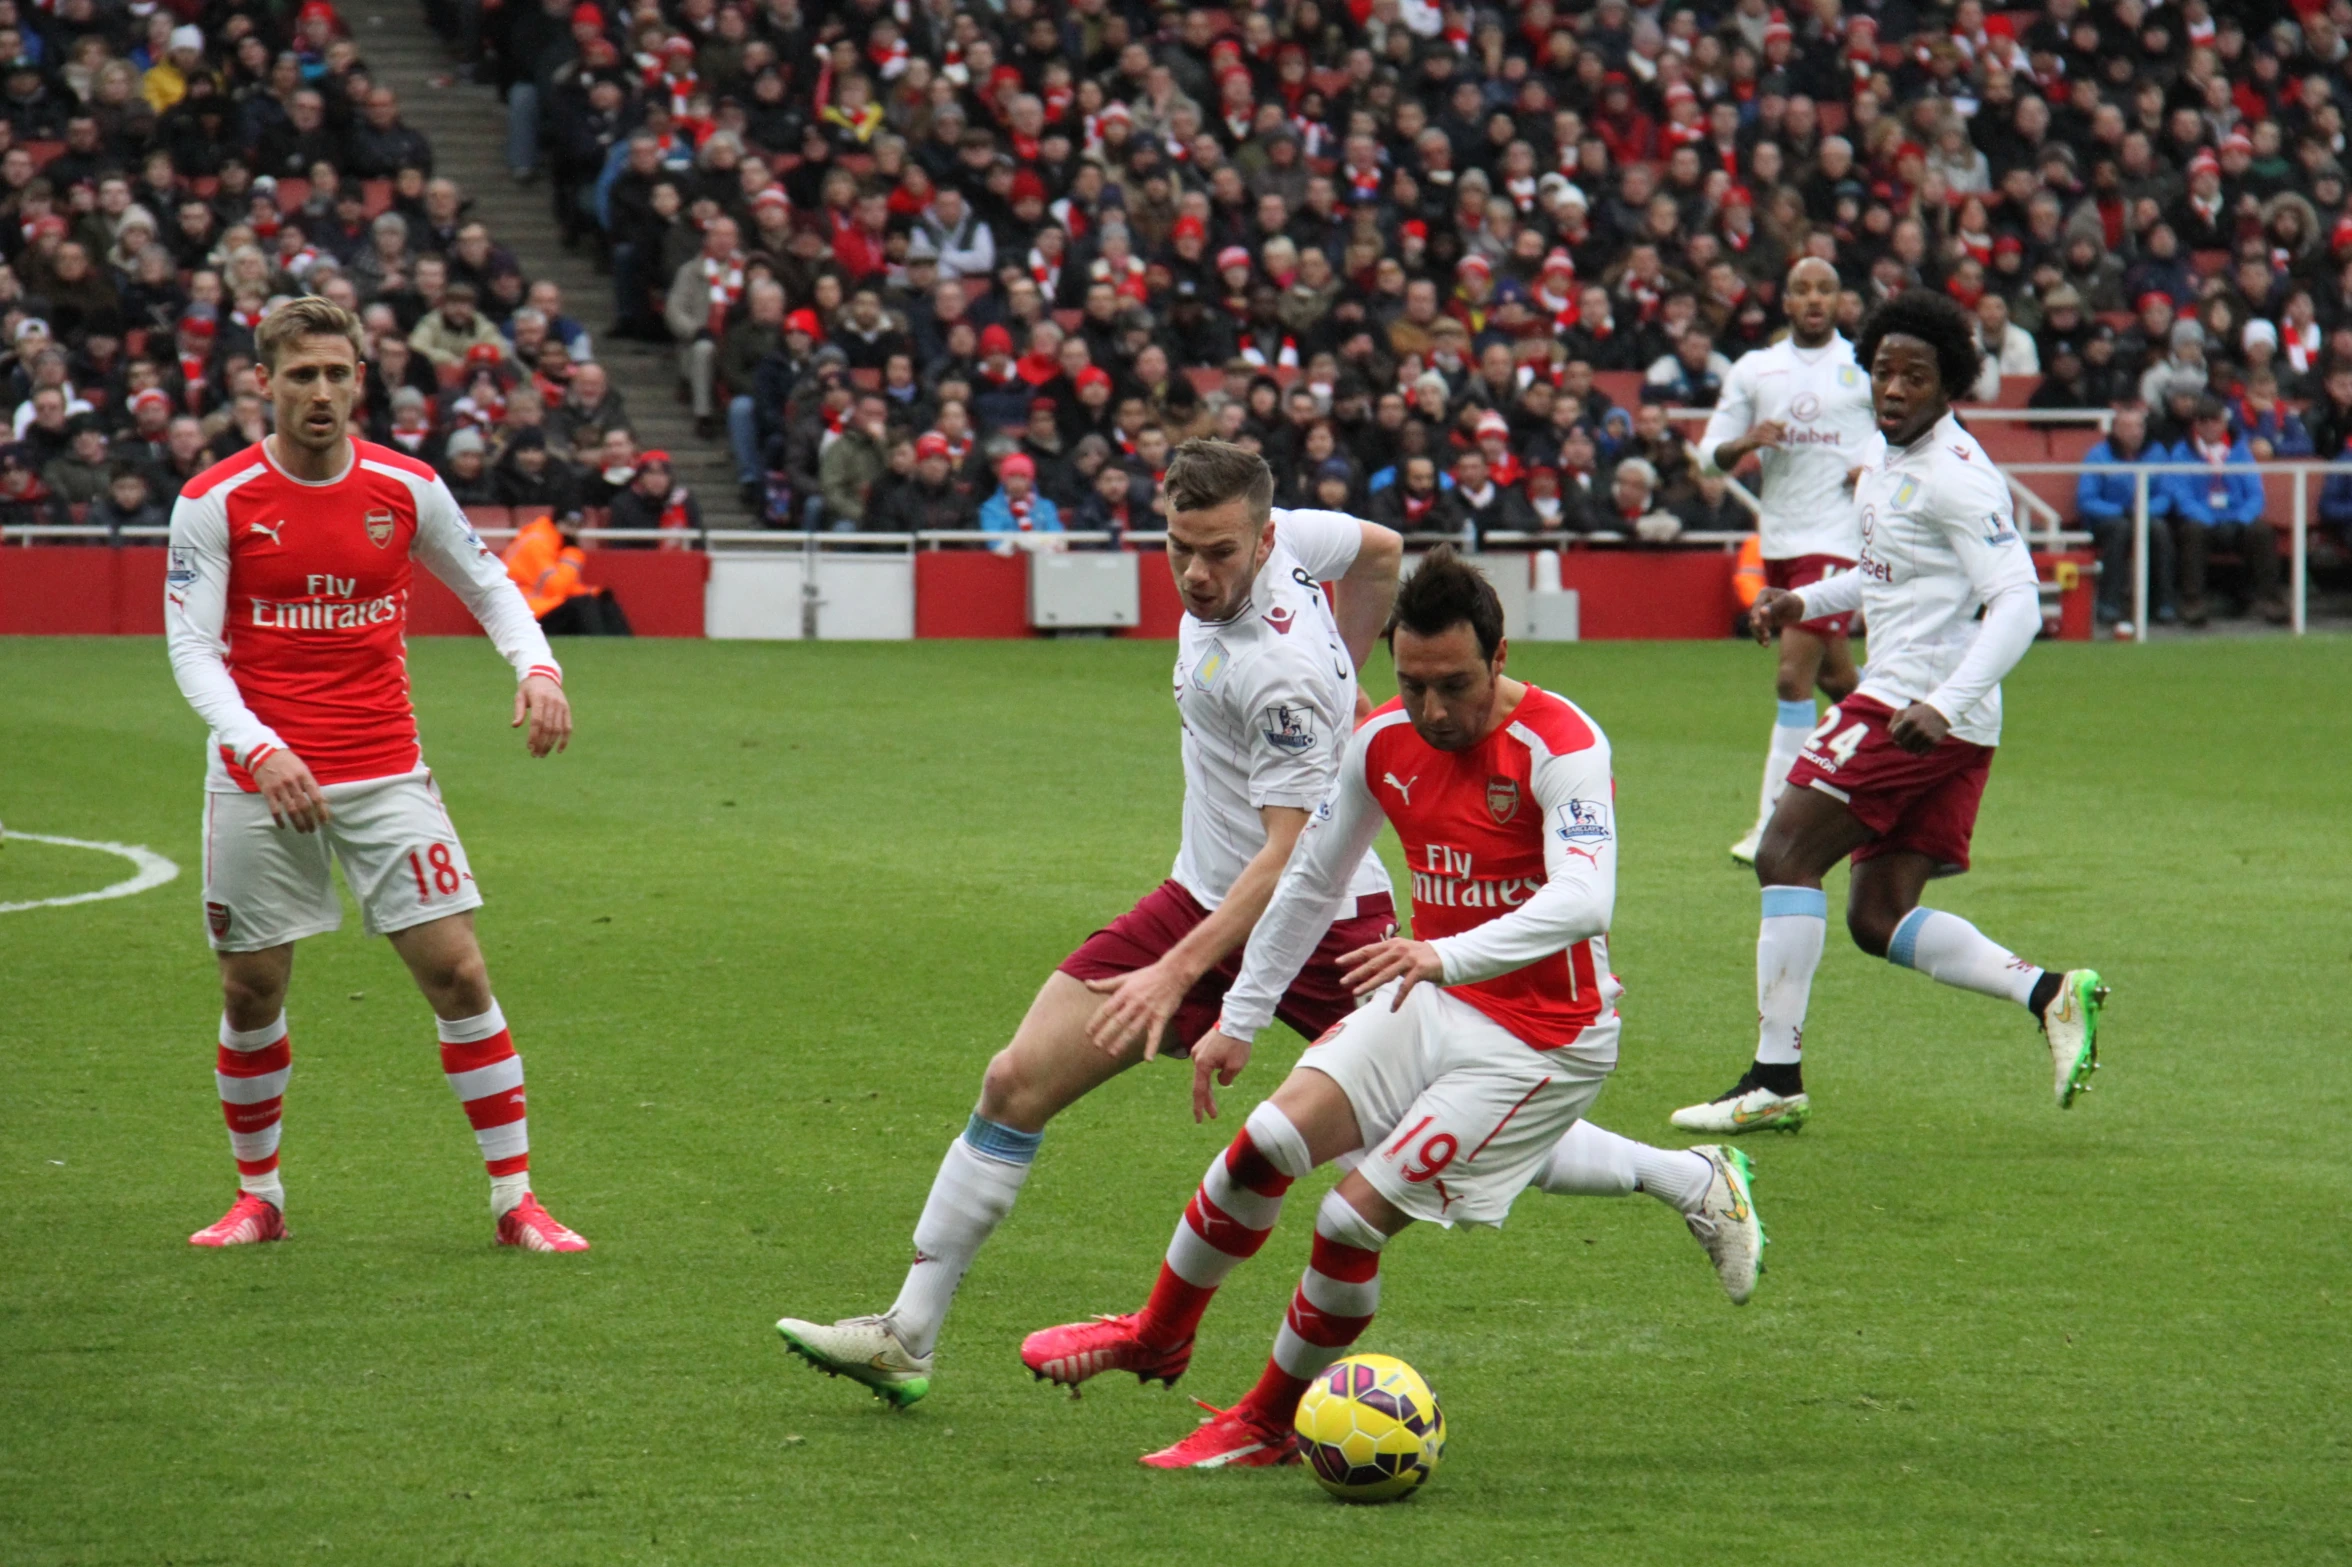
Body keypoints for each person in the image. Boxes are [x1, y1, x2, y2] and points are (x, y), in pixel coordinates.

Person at [1018, 550, 1765, 1468]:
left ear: (1499, 660)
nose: (1433, 709)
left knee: (1349, 1218)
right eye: (1411, 684)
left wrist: (1441, 953)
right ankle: (1156, 1334)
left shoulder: (1564, 744)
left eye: (1454, 685)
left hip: (1546, 1038)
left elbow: (1583, 900)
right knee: (1261, 1146)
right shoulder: (1382, 743)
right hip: (1431, 995)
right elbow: (1308, 880)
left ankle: (1264, 1425)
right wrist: (1241, 1017)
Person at [771, 440, 1408, 1406]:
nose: (1197, 572)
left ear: (1264, 538)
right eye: (1178, 545)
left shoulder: (1276, 671)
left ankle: (1680, 1178)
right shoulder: (1300, 543)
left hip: (1326, 920)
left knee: (1455, 1130)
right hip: (1202, 894)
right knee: (1015, 1079)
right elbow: (1385, 553)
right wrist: (1355, 681)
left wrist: (1173, 973)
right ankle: (907, 1333)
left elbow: (1283, 864)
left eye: (1220, 553)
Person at [161, 295, 588, 1252]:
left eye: (338, 373)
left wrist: (539, 666)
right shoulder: (216, 499)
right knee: (251, 991)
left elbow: (490, 584)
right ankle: (258, 1196)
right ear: (261, 382)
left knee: (459, 972)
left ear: (362, 378)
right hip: (260, 772)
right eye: (302, 374)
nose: (322, 392)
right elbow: (193, 650)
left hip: (385, 767)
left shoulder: (406, 486)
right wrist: (258, 746)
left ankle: (517, 1201)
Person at [1670, 291, 2108, 1137]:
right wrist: (1801, 599)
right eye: (1883, 371)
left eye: (1916, 375)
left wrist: (1943, 703)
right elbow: (1883, 579)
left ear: (1951, 388)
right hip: (1938, 711)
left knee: (1783, 851)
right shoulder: (1889, 454)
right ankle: (2051, 991)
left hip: (1917, 706)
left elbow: (2018, 602)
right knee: (1877, 918)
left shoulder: (1956, 474)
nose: (1894, 388)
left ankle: (1773, 1076)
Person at [1699, 258, 1873, 866]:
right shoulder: (1757, 369)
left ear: (1840, 298)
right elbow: (1706, 458)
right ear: (1788, 302)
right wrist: (1745, 443)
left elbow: (1904, 433)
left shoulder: (1864, 365)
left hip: (1839, 540)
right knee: (1840, 684)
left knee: (1790, 677)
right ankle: (1904, 771)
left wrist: (1874, 464)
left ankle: (1772, 822)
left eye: (1826, 287)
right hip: (1780, 542)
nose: (1815, 298)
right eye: (1802, 288)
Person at [2165, 397, 2281, 627]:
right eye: (2203, 421)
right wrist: (2206, 517)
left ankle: (2272, 600)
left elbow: (2255, 493)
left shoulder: (2240, 451)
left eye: (2214, 420)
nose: (2209, 426)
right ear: (2195, 425)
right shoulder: (2181, 452)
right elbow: (2180, 494)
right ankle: (2193, 602)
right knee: (2192, 531)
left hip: (2236, 520)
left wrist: (2241, 518)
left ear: (2224, 423)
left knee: (2261, 531)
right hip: (2202, 520)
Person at [2074, 402, 2176, 629]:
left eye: (2139, 426)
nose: (2135, 432)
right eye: (2128, 427)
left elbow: (2166, 495)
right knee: (2119, 529)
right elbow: (2086, 499)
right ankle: (2109, 604)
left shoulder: (2157, 453)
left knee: (2160, 530)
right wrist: (2120, 511)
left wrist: (2143, 510)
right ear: (2116, 430)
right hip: (2108, 520)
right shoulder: (2098, 455)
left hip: (2145, 515)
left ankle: (2163, 603)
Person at [503, 509, 632, 634]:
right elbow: (556, 588)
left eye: (577, 526)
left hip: (543, 606)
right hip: (525, 613)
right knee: (583, 605)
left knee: (602, 600)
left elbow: (562, 588)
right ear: (557, 522)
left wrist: (592, 592)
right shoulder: (537, 543)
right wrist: (572, 554)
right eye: (569, 524)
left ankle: (625, 646)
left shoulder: (553, 542)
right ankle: (599, 646)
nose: (572, 531)